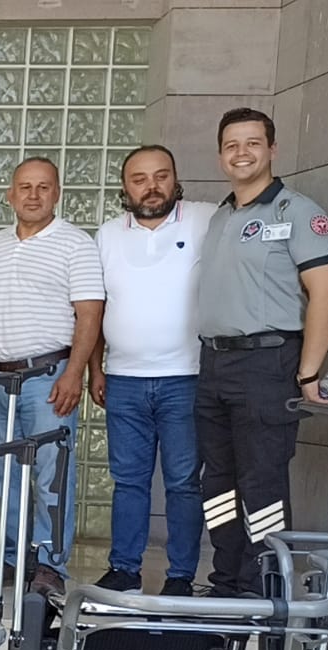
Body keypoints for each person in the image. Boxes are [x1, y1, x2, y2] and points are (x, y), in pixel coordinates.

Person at [195, 108, 328, 597]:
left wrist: (309, 374)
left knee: (262, 483)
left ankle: (264, 587)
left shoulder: (296, 212)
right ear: (221, 155)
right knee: (218, 483)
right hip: (214, 363)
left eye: (253, 143)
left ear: (272, 149)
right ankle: (226, 583)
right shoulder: (221, 217)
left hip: (267, 363)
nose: (242, 153)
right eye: (232, 145)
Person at [0, 157, 105, 597]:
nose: (34, 195)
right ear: (10, 194)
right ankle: (13, 558)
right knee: (1, 472)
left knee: (51, 472)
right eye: (25, 186)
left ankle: (49, 564)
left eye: (43, 187)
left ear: (57, 193)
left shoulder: (76, 244)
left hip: (48, 375)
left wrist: (75, 373)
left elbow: (90, 313)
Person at [87, 146, 215, 596]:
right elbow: (95, 306)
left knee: (183, 483)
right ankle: (124, 569)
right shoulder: (107, 235)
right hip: (123, 380)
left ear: (175, 179)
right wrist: (95, 369)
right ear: (125, 187)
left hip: (187, 377)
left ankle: (181, 576)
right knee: (128, 482)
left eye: (161, 176)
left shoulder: (205, 219)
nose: (152, 186)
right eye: (139, 179)